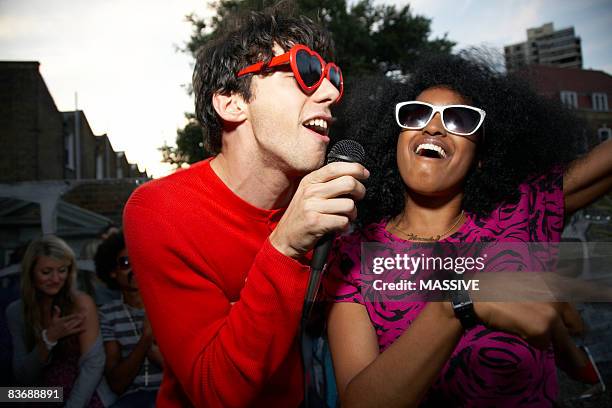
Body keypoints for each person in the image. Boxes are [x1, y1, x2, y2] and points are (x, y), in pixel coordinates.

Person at [325, 54, 612, 407]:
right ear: (395, 139)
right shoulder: (352, 257)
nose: (433, 127)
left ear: (482, 157)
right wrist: (458, 300)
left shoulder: (521, 212)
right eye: (417, 114)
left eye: (460, 120)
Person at [123, 7, 367, 407]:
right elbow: (212, 391)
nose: (330, 93)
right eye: (304, 71)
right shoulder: (160, 211)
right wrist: (284, 247)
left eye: (333, 78)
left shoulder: (327, 206)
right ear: (232, 102)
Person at [5, 235, 115, 407]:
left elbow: (93, 366)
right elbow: (23, 376)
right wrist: (48, 339)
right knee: (6, 395)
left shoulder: (81, 304)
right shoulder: (16, 311)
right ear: (31, 273)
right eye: (46, 272)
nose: (56, 279)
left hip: (82, 390)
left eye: (62, 270)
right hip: (45, 392)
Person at [95, 231, 163, 407]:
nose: (135, 269)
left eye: (140, 261)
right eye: (126, 263)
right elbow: (117, 384)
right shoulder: (107, 315)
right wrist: (146, 339)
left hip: (171, 397)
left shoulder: (167, 307)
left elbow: (189, 374)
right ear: (112, 272)